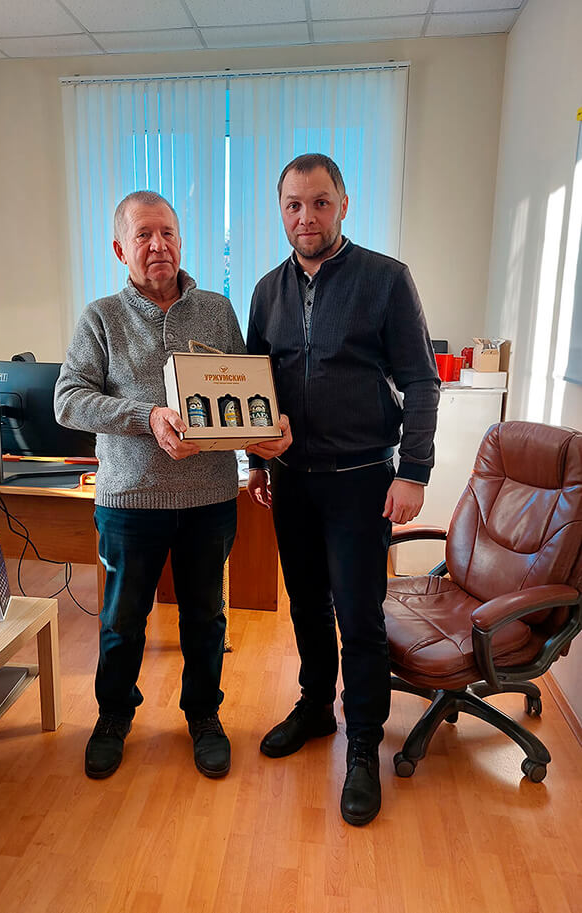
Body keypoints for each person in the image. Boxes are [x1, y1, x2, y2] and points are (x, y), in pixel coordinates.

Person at [55, 190, 282, 781]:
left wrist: (261, 445)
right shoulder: (101, 317)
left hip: (209, 498)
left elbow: (243, 396)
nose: (158, 245)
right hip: (130, 501)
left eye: (168, 233)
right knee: (122, 620)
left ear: (181, 240)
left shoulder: (217, 311)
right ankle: (113, 716)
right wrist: (148, 417)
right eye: (143, 235)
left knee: (206, 618)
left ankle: (203, 715)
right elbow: (68, 400)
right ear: (120, 249)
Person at [245, 154, 439, 826]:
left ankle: (362, 741)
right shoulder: (266, 291)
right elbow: (254, 386)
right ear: (281, 210)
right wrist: (254, 463)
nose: (307, 217)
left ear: (343, 205)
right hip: (292, 482)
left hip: (362, 480)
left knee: (358, 616)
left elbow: (421, 380)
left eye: (320, 202)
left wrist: (413, 471)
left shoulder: (385, 279)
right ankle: (314, 707)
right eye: (294, 204)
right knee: (305, 605)